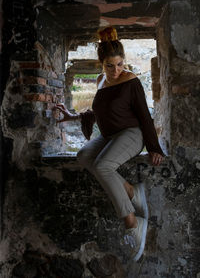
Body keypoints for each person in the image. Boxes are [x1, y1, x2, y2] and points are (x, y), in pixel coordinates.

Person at [54, 26, 165, 261]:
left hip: (132, 134)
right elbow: (99, 113)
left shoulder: (131, 81)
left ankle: (133, 223)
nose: (115, 70)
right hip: (109, 135)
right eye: (109, 65)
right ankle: (132, 191)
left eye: (119, 64)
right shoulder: (101, 81)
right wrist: (72, 116)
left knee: (103, 165)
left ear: (124, 62)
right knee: (84, 157)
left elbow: (145, 116)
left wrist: (154, 148)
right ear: (101, 64)